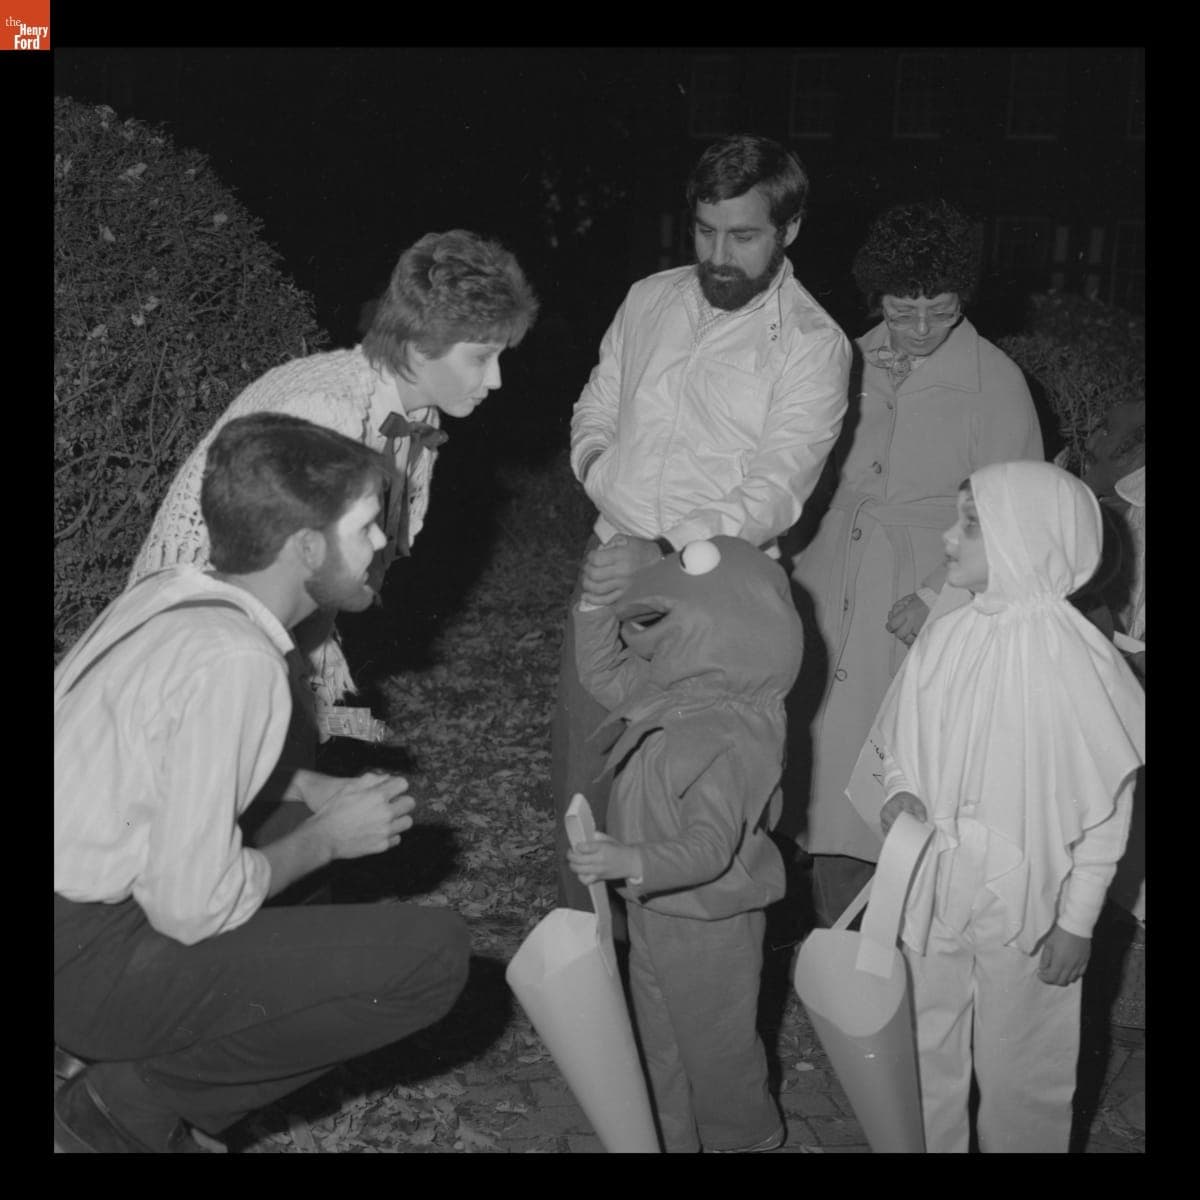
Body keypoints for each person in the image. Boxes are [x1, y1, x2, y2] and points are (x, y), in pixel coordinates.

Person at [54, 414, 471, 1153]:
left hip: (72, 915)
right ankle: (124, 1104)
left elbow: (161, 770)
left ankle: (143, 1068)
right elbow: (188, 907)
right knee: (430, 957)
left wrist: (306, 789)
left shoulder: (173, 594)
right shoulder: (237, 660)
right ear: (306, 547)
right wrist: (327, 839)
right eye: (370, 526)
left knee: (282, 836)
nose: (381, 543)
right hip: (79, 956)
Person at [552, 133, 851, 910]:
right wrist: (595, 471)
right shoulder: (649, 298)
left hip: (717, 607)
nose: (719, 255)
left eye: (744, 236)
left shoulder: (814, 346)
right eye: (705, 231)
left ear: (788, 230)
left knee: (680, 804)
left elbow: (776, 490)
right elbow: (596, 401)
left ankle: (672, 985)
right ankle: (589, 977)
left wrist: (658, 552)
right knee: (586, 775)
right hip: (610, 560)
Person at [129, 229, 538, 743]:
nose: (496, 379)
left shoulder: (415, 418)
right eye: (481, 357)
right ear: (418, 346)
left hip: (257, 629)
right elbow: (263, 576)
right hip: (196, 633)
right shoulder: (329, 412)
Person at [865, 461, 1144, 1153]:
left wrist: (1078, 919)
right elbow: (901, 736)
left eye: (969, 524)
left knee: (1027, 1063)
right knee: (925, 1044)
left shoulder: (1081, 663)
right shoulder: (948, 634)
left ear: (1026, 536)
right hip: (933, 883)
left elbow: (1108, 806)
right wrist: (900, 787)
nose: (947, 538)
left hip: (1031, 899)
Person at [788, 199, 1044, 926]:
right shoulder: (846, 360)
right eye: (904, 312)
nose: (923, 329)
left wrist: (938, 596)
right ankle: (825, 938)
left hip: (916, 594)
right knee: (808, 761)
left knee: (884, 779)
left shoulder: (994, 380)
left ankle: (883, 943)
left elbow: (1010, 507)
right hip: (828, 573)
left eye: (942, 310)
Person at [568, 536, 804, 1153]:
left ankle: (746, 1140)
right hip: (654, 911)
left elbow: (709, 849)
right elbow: (604, 672)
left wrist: (631, 860)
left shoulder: (727, 730)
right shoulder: (673, 693)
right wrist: (596, 608)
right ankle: (672, 1140)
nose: (648, 636)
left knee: (716, 1052)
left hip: (709, 923)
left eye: (663, 624)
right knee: (662, 1044)